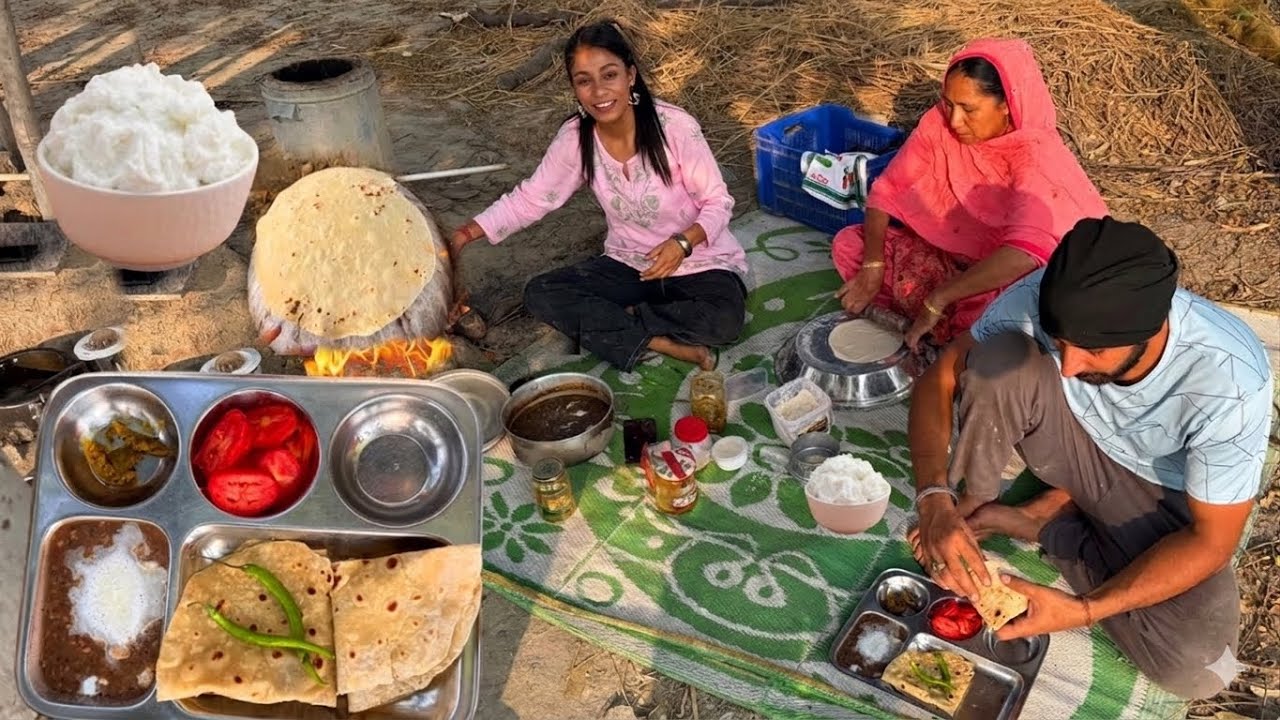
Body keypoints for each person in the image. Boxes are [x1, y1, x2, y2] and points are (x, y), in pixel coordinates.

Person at [908, 216, 1274, 699]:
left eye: (1094, 351)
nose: (1071, 365)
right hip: (1072, 445)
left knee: (1196, 667)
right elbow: (942, 375)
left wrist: (1084, 609)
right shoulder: (1046, 294)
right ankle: (985, 501)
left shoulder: (1230, 381)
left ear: (1153, 328)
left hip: (1158, 492)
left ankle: (1045, 522)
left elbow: (1210, 542)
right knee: (997, 363)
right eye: (1060, 343)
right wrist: (934, 497)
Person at [450, 21, 747, 371]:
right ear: (575, 88)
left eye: (609, 75)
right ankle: (656, 339)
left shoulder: (676, 128)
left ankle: (621, 322)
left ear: (630, 76)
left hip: (699, 263)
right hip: (629, 265)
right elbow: (531, 198)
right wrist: (464, 235)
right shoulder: (576, 138)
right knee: (542, 293)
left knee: (724, 320)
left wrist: (682, 244)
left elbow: (718, 202)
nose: (599, 91)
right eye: (584, 81)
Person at [833, 38, 1108, 350]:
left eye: (968, 109)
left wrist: (939, 298)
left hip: (1001, 274)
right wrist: (873, 266)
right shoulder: (939, 124)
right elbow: (886, 192)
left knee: (1002, 308)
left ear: (1007, 104)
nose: (954, 121)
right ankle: (942, 329)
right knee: (849, 245)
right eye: (949, 104)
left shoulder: (1034, 156)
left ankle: (947, 327)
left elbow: (1022, 255)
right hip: (948, 258)